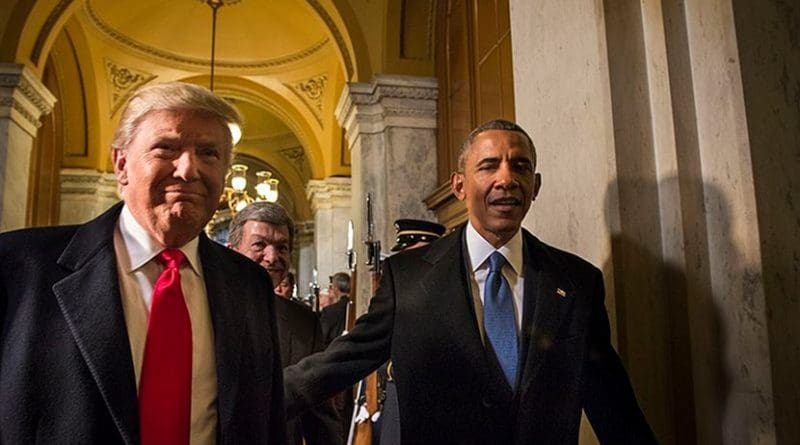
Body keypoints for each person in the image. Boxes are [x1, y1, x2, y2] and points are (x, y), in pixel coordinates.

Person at [284, 119, 656, 443]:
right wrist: (252, 400)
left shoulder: (576, 282)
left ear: (536, 185)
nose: (506, 179)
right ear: (460, 186)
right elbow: (339, 363)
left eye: (520, 167)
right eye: (489, 166)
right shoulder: (408, 279)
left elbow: (612, 404)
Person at [0, 82, 285, 443]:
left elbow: (266, 420)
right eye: (166, 148)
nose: (188, 169)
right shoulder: (19, 269)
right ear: (121, 164)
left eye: (209, 153)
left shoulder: (248, 284)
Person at [228, 201, 342, 445]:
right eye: (259, 245)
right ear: (232, 251)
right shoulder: (203, 307)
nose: (272, 257)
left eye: (282, 247)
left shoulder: (304, 322)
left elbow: (319, 412)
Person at [319, 271, 352, 346]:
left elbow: (322, 337)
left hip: (334, 350)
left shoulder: (329, 311)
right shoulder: (356, 306)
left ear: (336, 289)